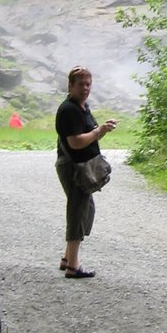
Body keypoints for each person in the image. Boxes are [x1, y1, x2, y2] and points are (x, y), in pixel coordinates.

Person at [55, 65, 117, 279]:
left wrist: (102, 130)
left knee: (85, 209)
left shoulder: (82, 107)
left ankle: (67, 258)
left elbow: (90, 135)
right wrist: (98, 131)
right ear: (70, 86)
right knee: (77, 211)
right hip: (73, 167)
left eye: (88, 84)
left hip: (83, 166)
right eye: (81, 84)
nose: (85, 88)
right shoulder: (68, 110)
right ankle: (73, 267)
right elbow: (75, 142)